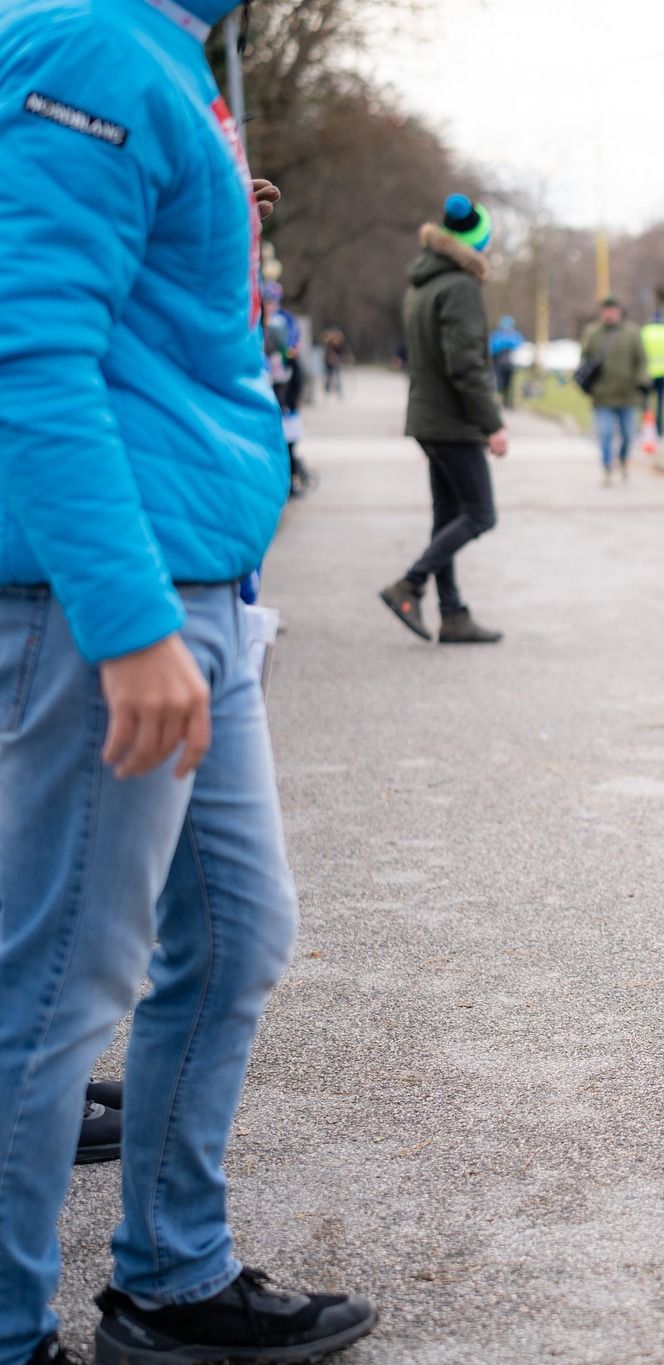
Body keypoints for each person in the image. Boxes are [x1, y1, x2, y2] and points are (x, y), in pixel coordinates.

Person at [0, 2, 380, 1361]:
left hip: (192, 586)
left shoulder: (163, 51)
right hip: (117, 600)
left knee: (232, 937)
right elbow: (29, 348)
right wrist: (126, 621)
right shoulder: (90, 44)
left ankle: (170, 1279)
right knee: (57, 987)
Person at [381, 193, 510, 645]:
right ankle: (409, 584)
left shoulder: (422, 283)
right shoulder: (460, 287)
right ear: (478, 242)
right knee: (480, 514)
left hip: (429, 419)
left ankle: (453, 615)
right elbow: (465, 364)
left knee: (448, 517)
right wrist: (492, 424)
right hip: (453, 422)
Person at [580, 296, 646, 485]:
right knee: (606, 434)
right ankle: (607, 467)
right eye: (606, 311)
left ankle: (623, 461)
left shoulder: (632, 332)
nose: (609, 314)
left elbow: (641, 359)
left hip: (627, 395)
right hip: (603, 395)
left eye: (613, 310)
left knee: (628, 435)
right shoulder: (593, 333)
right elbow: (585, 360)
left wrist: (641, 381)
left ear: (619, 311)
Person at [261, 282, 309, 498]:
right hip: (267, 386)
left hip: (284, 388)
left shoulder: (285, 321)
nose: (270, 305)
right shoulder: (257, 321)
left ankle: (290, 479)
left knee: (288, 439)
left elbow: (293, 353)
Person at [488, 313, 524, 409]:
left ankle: (507, 401)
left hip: (510, 365)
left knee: (509, 384)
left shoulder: (514, 335)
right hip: (498, 365)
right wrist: (503, 345)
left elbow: (519, 345)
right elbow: (492, 348)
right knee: (499, 383)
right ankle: (498, 400)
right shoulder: (497, 335)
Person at [319, 325, 349, 398]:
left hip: (335, 362)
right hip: (328, 363)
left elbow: (343, 352)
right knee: (329, 375)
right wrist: (330, 357)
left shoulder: (339, 344)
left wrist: (344, 358)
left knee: (337, 376)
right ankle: (327, 389)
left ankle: (339, 391)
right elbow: (327, 353)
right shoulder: (329, 343)